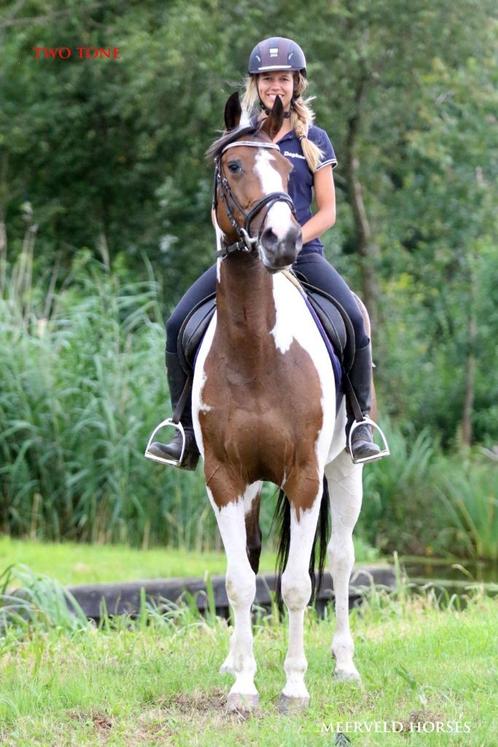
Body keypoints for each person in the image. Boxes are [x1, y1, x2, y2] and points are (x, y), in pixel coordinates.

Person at [147, 36, 383, 469]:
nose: (277, 86)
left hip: (302, 253)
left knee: (351, 317)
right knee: (179, 319)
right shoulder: (242, 137)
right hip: (243, 258)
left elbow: (328, 211)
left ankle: (360, 423)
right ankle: (181, 428)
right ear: (255, 85)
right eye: (268, 79)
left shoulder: (315, 139)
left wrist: (294, 239)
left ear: (297, 84)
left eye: (284, 79)